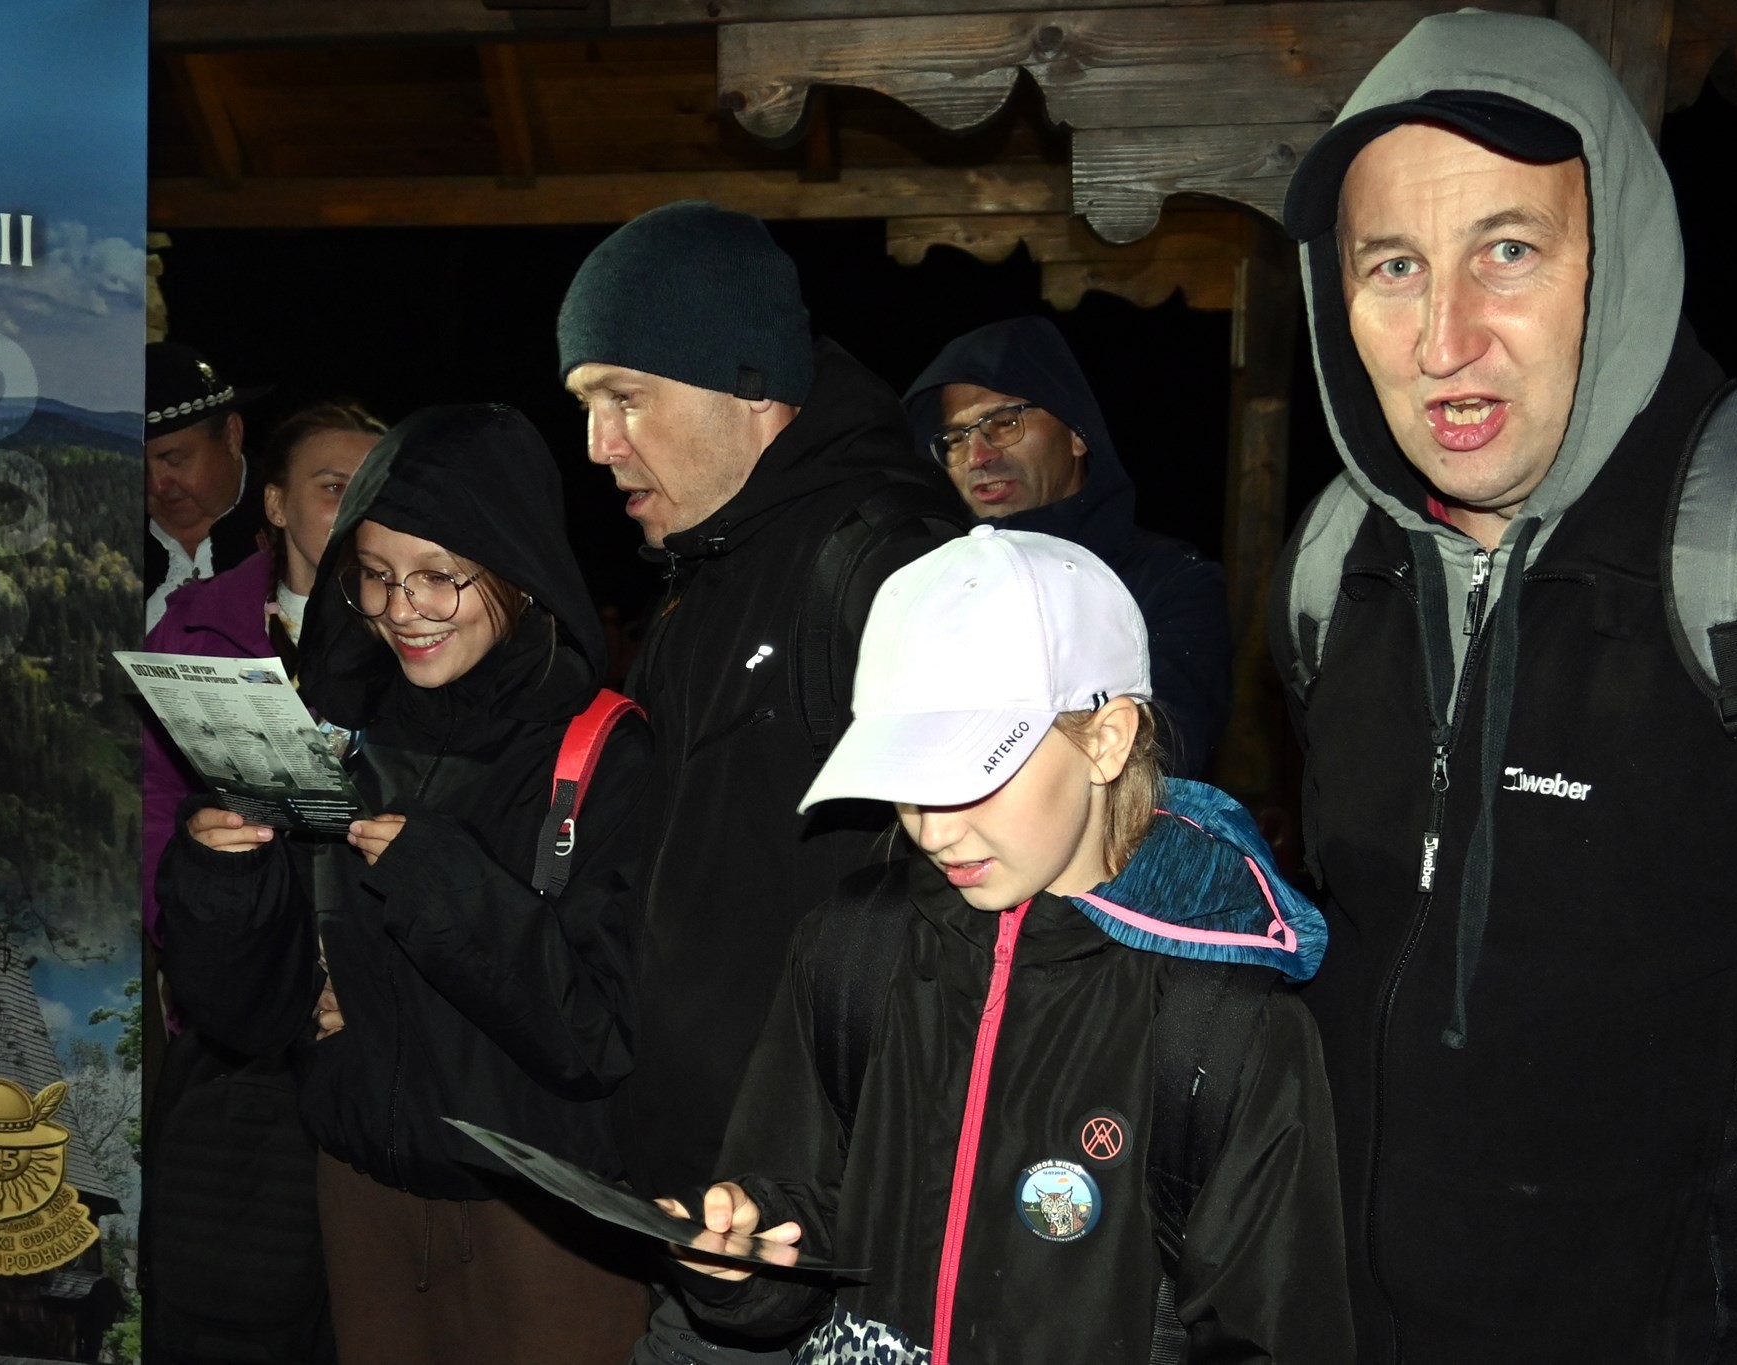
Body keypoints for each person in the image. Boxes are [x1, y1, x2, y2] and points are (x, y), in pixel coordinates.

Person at [1270, 11, 1737, 1361]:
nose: (1442, 339)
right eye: (1393, 266)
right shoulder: (1334, 574)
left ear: (1620, 256)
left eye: (1506, 250)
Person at [655, 527, 1351, 1363]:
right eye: (907, 772)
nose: (932, 828)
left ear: (1106, 739)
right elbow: (808, 1207)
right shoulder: (853, 947)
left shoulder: (1223, 1026)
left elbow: (1269, 1334)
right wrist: (746, 1254)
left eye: (971, 771)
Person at [156, 404, 658, 1365]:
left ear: (516, 568)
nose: (401, 608)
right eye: (376, 575)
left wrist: (441, 885)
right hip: (363, 1202)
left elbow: (602, 1032)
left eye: (438, 576)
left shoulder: (601, 752)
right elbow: (251, 1016)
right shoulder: (339, 736)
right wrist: (223, 878)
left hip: (545, 1222)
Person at [556, 202, 962, 1202]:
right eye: (586, 406)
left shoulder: (891, 570)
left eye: (625, 398)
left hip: (818, 1211)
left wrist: (818, 1184)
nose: (599, 445)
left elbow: (966, 922)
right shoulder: (698, 581)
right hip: (697, 1184)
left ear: (748, 384)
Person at [904, 317, 1231, 775]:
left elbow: (1159, 758)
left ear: (1077, 433)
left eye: (1004, 422)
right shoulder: (923, 587)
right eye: (955, 439)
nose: (978, 456)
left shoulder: (1171, 581)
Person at [142, 399, 385, 947]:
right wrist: (175, 917)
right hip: (231, 945)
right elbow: (151, 789)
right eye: (334, 487)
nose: (360, 508)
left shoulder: (423, 632)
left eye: (378, 489)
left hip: (373, 953)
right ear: (277, 505)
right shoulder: (197, 629)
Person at [144, 341, 272, 630]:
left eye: (175, 460)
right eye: (138, 467)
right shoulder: (109, 547)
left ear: (231, 437)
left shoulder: (293, 531)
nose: (156, 485)